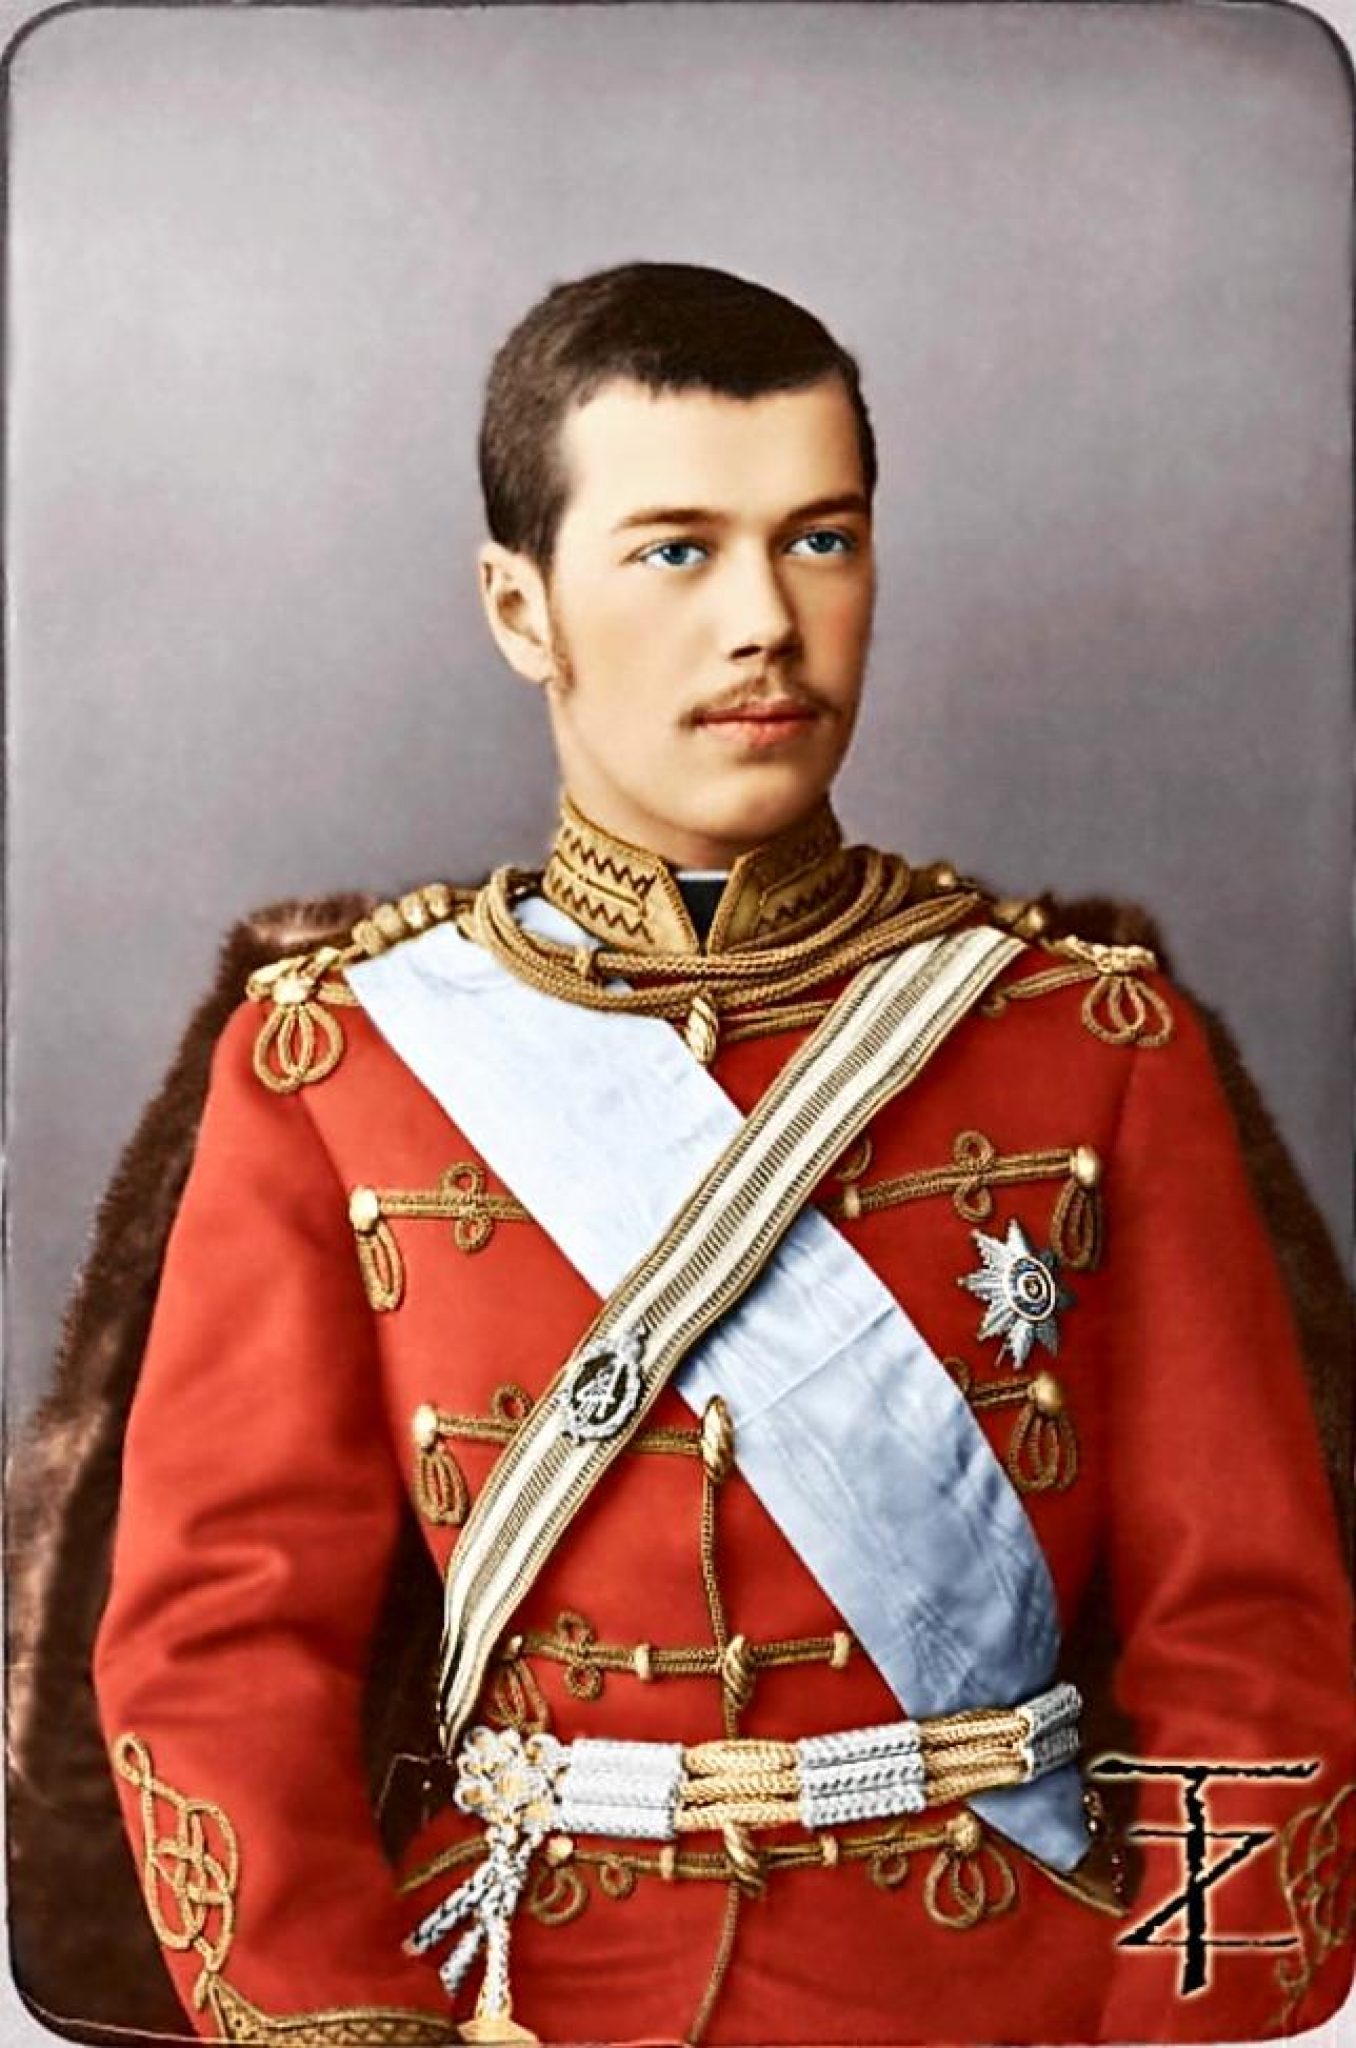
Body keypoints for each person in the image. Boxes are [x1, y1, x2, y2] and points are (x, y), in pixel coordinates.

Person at [81, 262, 1351, 2046]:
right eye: (676, 550)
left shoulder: (1088, 1041)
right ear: (522, 608)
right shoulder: (340, 1064)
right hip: (516, 1993)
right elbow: (219, 1653)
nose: (765, 620)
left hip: (1004, 1984)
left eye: (820, 541)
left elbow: (1254, 1639)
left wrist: (1192, 2025)